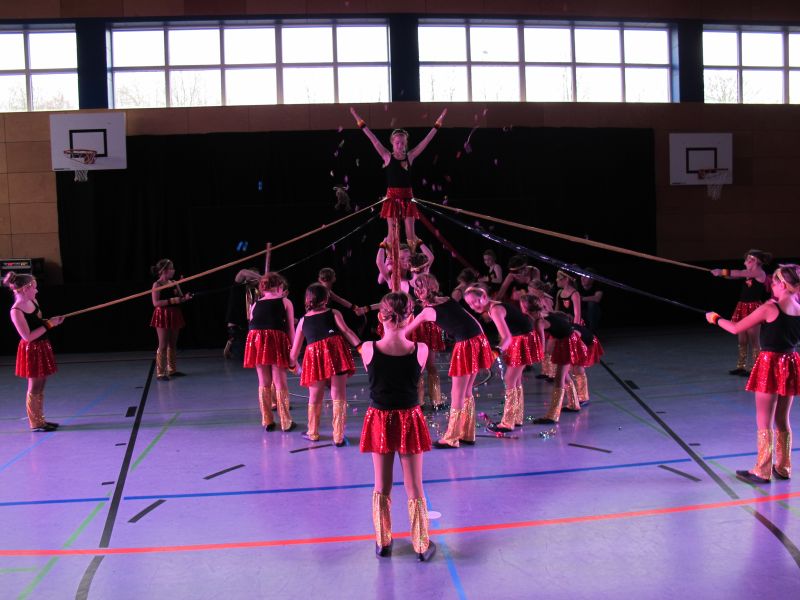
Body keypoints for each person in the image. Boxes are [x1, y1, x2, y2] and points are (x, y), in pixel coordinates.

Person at [706, 264, 800, 484]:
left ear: (783, 285)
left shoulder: (770, 308)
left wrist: (715, 318)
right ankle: (783, 467)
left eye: (774, 283)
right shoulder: (798, 307)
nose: (771, 287)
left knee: (763, 421)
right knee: (782, 419)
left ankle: (762, 470)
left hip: (770, 363)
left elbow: (736, 328)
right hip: (790, 363)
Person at [360, 292, 436, 561]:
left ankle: (383, 541)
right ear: (410, 316)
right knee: (414, 485)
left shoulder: (368, 348)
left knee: (382, 484)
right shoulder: (421, 350)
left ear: (380, 317)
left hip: (380, 418)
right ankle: (421, 545)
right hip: (409, 418)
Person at [407, 274, 493, 448]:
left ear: (422, 291)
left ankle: (452, 438)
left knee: (457, 393)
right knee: (466, 391)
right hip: (479, 338)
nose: (416, 292)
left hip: (466, 343)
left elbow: (406, 332)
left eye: (418, 289)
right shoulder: (447, 299)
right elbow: (471, 319)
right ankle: (467, 434)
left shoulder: (427, 312)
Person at [350, 106, 447, 252]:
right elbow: (373, 139)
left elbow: (426, 141)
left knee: (410, 234)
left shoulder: (410, 156)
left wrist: (438, 124)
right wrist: (356, 117)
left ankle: (412, 258)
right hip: (392, 197)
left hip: (407, 197)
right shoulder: (387, 156)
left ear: (406, 143)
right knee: (392, 233)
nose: (400, 145)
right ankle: (390, 259)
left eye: (402, 143)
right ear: (392, 143)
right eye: (397, 143)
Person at [463, 285, 543, 432]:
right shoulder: (493, 307)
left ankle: (508, 422)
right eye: (470, 304)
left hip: (523, 340)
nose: (473, 306)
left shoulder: (495, 310)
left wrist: (493, 354)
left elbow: (507, 337)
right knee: (515, 380)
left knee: (509, 379)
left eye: (475, 301)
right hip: (520, 339)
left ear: (484, 297)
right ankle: (516, 417)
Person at [290, 283, 361, 446]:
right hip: (336, 354)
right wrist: (361, 347)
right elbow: (347, 331)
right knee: (338, 394)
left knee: (315, 396)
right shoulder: (334, 313)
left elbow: (295, 350)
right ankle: (338, 436)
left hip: (314, 358)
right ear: (326, 299)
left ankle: (313, 432)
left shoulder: (303, 321)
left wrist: (292, 365)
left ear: (307, 300)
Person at [4, 272, 64, 432]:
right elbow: (28, 336)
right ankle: (35, 423)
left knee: (41, 383)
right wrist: (49, 325)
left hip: (42, 345)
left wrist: (51, 321)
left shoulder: (33, 301)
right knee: (34, 385)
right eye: (34, 288)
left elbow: (38, 323)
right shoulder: (16, 311)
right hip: (31, 349)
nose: (36, 291)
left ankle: (40, 419)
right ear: (25, 288)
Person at [243, 272, 296, 432]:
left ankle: (267, 420)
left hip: (256, 341)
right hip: (275, 339)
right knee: (280, 382)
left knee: (264, 382)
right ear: (279, 286)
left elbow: (252, 325)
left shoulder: (255, 304)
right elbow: (291, 329)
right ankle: (286, 421)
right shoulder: (285, 302)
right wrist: (293, 352)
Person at [532, 307, 603, 425]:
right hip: (576, 344)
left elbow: (579, 343)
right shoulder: (559, 330)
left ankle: (583, 397)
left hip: (588, 343)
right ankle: (574, 403)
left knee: (578, 369)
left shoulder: (572, 331)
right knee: (566, 374)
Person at [711, 250, 772, 376]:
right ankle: (741, 366)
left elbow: (739, 273)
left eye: (750, 259)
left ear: (757, 261)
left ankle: (755, 368)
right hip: (742, 307)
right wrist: (720, 274)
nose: (746, 261)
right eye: (747, 259)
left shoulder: (759, 272)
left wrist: (721, 271)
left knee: (754, 341)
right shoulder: (748, 273)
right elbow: (733, 275)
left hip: (753, 309)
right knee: (742, 340)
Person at [150, 259, 192, 381]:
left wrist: (185, 298)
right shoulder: (157, 285)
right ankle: (160, 373)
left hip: (174, 313)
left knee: (172, 344)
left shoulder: (174, 282)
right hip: (162, 314)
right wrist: (172, 300)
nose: (174, 270)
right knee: (163, 344)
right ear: (164, 271)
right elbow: (155, 303)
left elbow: (180, 298)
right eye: (171, 268)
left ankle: (172, 369)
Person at [224, 267, 261, 360]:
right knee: (242, 357)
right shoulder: (239, 285)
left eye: (255, 278)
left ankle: (233, 344)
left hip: (250, 326)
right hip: (237, 326)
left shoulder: (257, 291)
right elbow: (242, 272)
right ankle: (231, 341)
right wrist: (261, 277)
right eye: (251, 276)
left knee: (252, 355)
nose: (253, 279)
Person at [578, 269, 603, 333]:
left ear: (592, 279)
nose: (583, 278)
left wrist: (581, 298)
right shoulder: (577, 285)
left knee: (591, 303)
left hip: (594, 313)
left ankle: (592, 332)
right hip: (581, 312)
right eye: (582, 276)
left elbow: (597, 298)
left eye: (586, 276)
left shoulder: (597, 285)